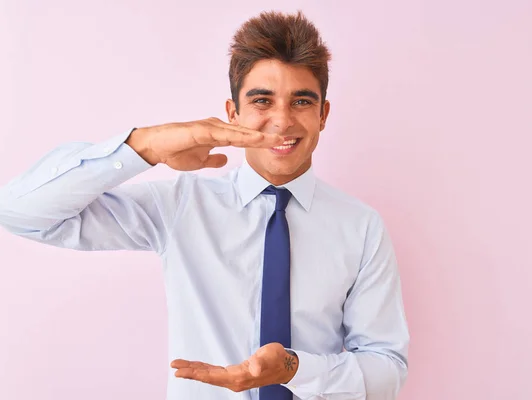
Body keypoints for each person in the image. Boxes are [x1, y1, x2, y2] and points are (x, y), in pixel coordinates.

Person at [0, 10, 409, 400]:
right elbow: (22, 213)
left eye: (301, 101)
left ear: (323, 114)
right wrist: (147, 146)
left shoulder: (361, 227)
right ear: (232, 113)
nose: (282, 121)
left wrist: (294, 369)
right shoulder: (182, 205)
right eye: (262, 101)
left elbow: (386, 369)